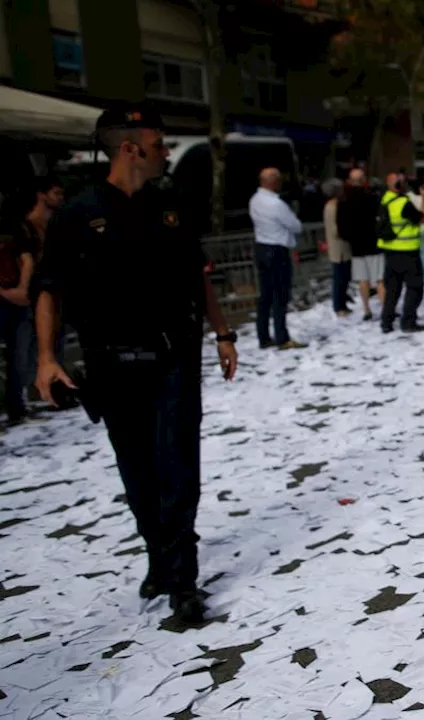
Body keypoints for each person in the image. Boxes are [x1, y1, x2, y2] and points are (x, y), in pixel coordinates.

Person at [33, 104, 239, 625]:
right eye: (158, 142)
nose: (165, 151)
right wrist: (45, 359)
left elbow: (198, 277)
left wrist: (223, 333)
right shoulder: (77, 216)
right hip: (111, 366)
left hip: (173, 359)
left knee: (179, 469)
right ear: (129, 147)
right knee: (140, 474)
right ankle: (159, 558)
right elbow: (50, 291)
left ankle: (183, 581)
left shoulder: (172, 205)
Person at [250, 167, 307, 349]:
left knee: (265, 295)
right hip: (277, 249)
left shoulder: (255, 200)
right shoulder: (276, 204)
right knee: (280, 295)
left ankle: (264, 336)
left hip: (261, 247)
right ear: (273, 182)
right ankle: (282, 337)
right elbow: (295, 225)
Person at [378, 172, 424, 333]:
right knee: (414, 287)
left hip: (389, 251)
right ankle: (408, 321)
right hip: (408, 251)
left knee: (392, 289)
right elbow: (420, 218)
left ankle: (386, 321)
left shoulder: (384, 199)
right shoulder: (403, 203)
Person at [0, 209, 36, 425]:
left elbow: (27, 258)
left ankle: (16, 406)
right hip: (7, 294)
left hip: (15, 299)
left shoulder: (10, 224)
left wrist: (23, 290)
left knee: (19, 355)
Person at [337, 168, 384, 322]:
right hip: (373, 243)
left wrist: (348, 237)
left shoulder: (344, 200)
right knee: (379, 279)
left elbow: (341, 225)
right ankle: (385, 309)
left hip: (356, 245)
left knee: (363, 279)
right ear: (364, 180)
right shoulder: (372, 197)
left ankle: (366, 309)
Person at [322, 178, 352, 317]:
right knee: (340, 277)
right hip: (339, 246)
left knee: (343, 276)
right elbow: (335, 228)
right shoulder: (333, 207)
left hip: (340, 246)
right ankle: (338, 305)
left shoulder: (333, 205)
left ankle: (342, 303)